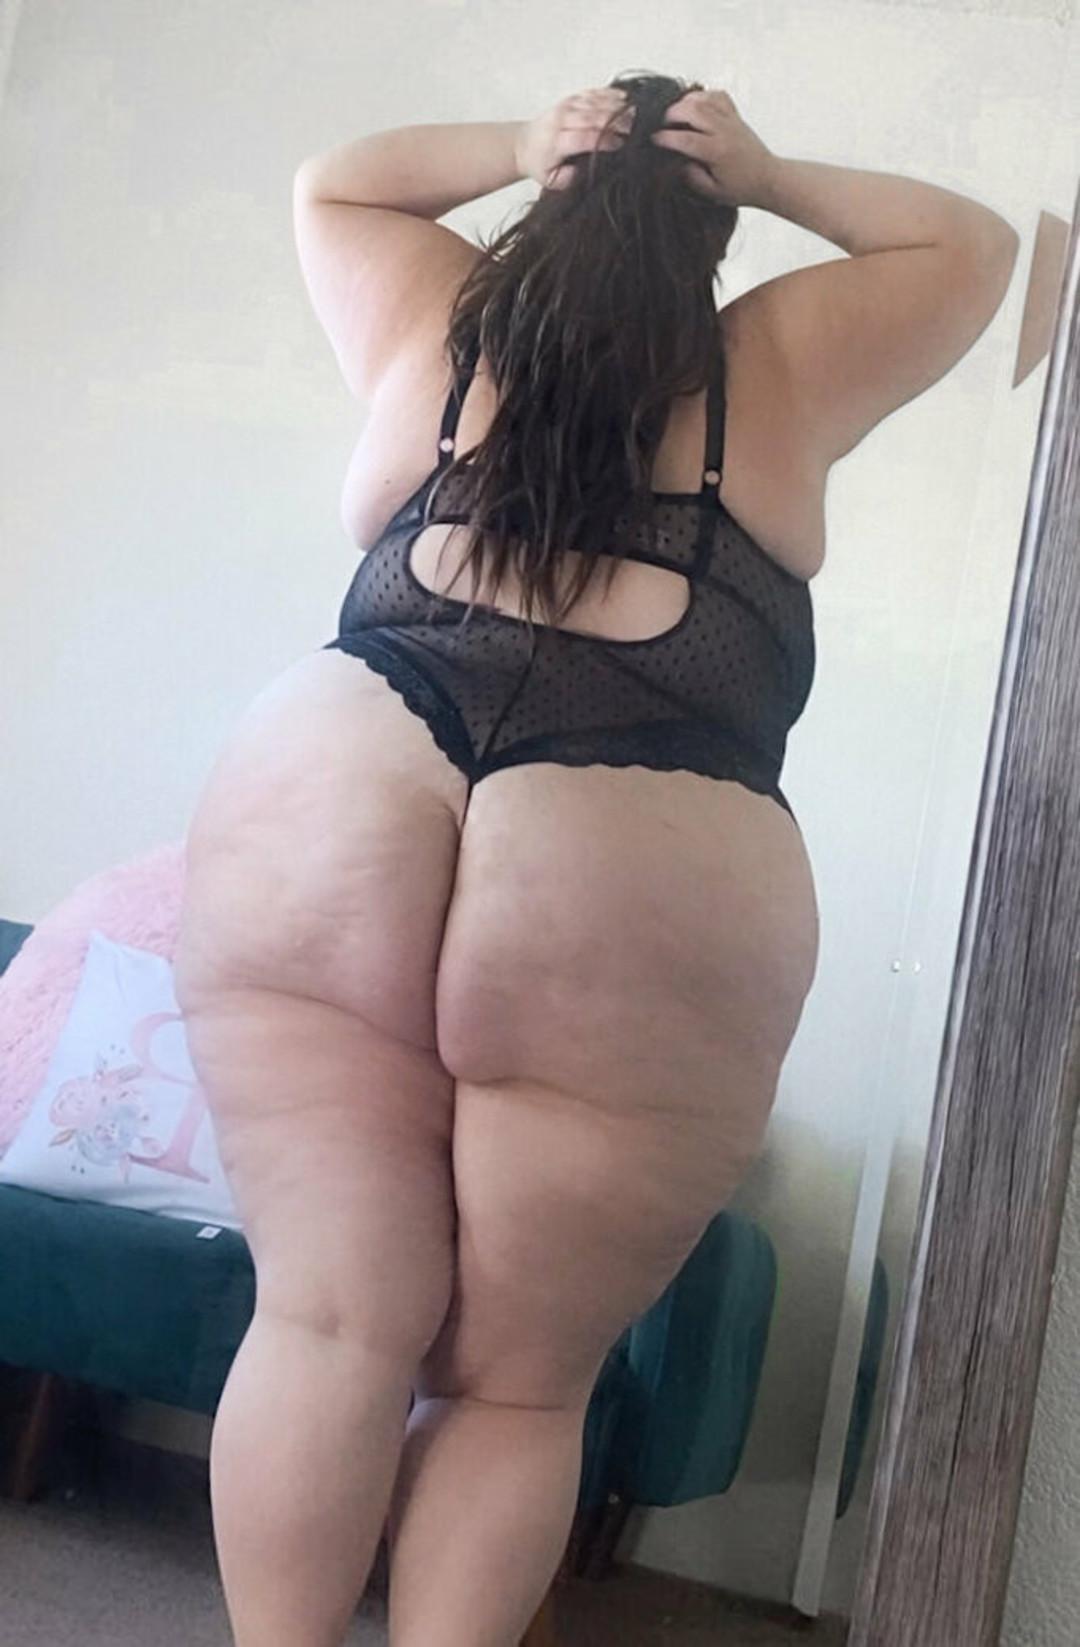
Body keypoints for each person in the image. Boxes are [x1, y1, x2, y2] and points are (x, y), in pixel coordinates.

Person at [172, 72, 1018, 1647]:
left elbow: (335, 181)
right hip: (643, 834)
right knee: (518, 1386)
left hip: (338, 776)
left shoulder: (436, 314)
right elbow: (972, 245)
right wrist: (768, 171)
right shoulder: (777, 354)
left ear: (551, 192)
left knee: (329, 1318)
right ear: (716, 225)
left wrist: (514, 146)